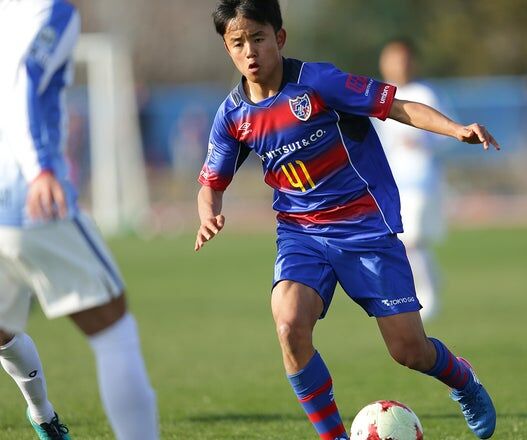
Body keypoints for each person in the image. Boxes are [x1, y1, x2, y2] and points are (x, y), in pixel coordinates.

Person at [196, 1, 499, 438]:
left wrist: (456, 129)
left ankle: (463, 380)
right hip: (301, 234)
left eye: (258, 38)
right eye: (238, 43)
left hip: (365, 228)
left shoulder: (318, 82)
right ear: (227, 49)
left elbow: (397, 106)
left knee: (409, 350)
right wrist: (208, 214)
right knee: (289, 324)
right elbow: (211, 182)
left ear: (279, 38)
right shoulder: (232, 117)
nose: (250, 52)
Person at [0, 1, 159, 439]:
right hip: (27, 202)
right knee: (114, 330)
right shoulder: (54, 12)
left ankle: (42, 415)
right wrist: (40, 168)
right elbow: (26, 78)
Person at [373, 38, 448, 322]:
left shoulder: (424, 94)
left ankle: (428, 297)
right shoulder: (378, 96)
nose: (398, 65)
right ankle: (432, 280)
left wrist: (422, 141)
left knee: (412, 240)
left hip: (421, 180)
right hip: (393, 183)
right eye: (392, 59)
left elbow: (448, 135)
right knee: (404, 242)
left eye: (403, 59)